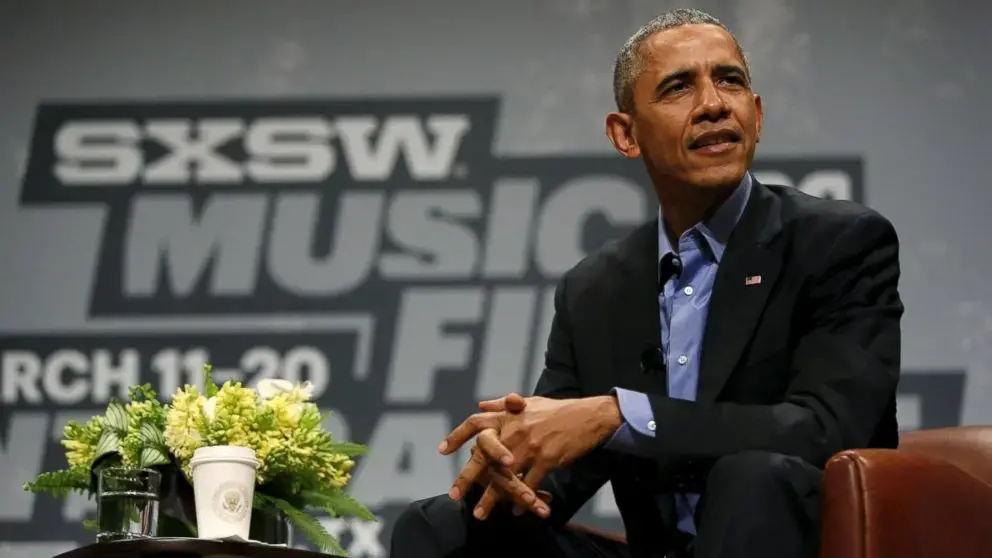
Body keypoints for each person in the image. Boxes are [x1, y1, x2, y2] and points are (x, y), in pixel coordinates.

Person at [390, 7, 903, 558]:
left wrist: (621, 415)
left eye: (729, 80)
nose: (712, 104)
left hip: (798, 540)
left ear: (755, 115)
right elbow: (561, 471)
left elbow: (828, 430)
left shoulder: (838, 242)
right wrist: (513, 464)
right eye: (679, 87)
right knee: (438, 527)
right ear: (625, 134)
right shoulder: (595, 290)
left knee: (752, 478)